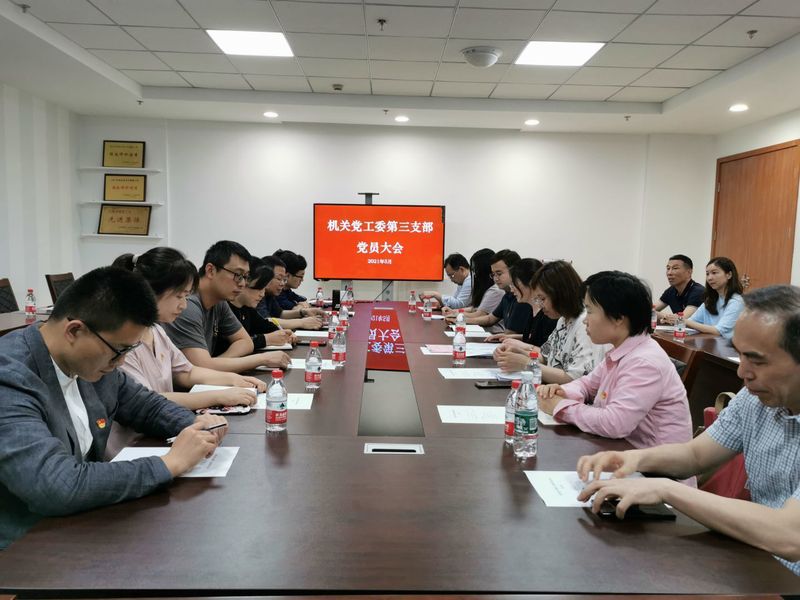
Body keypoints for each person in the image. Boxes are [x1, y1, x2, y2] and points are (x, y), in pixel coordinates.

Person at [576, 285, 800, 576]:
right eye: (740, 356)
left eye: (757, 360)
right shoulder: (754, 399)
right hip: (758, 561)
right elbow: (695, 456)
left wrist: (666, 489)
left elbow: (790, 534)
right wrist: (634, 459)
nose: (742, 372)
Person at [0, 266, 228, 549]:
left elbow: (146, 405)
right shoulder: (9, 377)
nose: (121, 362)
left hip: (82, 522)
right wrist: (170, 463)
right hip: (24, 545)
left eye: (129, 351)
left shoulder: (93, 362)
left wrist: (193, 424)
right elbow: (55, 485)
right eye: (119, 351)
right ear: (74, 331)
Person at [538, 271, 692, 449]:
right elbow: (587, 384)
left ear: (618, 318)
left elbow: (614, 424)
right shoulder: (622, 350)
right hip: (622, 450)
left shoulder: (644, 362)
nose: (585, 320)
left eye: (589, 311)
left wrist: (560, 407)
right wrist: (562, 392)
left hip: (654, 462)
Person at [113, 248, 267, 411]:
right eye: (179, 296)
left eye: (186, 296)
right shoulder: (121, 343)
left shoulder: (156, 331)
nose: (184, 305)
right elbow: (145, 400)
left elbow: (186, 372)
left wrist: (234, 380)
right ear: (149, 292)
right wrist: (218, 396)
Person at [163, 240, 290, 372]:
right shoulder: (187, 305)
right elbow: (201, 367)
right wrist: (262, 359)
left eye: (246, 277)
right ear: (211, 270)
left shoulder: (219, 302)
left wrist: (217, 363)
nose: (242, 283)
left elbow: (245, 342)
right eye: (238, 275)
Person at [494, 260, 604, 383]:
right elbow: (546, 356)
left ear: (560, 294)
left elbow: (574, 378)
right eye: (537, 299)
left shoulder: (584, 324)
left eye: (542, 299)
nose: (540, 305)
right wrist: (516, 351)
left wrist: (527, 364)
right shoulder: (563, 320)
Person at [220, 256, 296, 354]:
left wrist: (283, 333)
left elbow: (265, 325)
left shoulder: (247, 308)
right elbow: (229, 345)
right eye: (259, 288)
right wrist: (266, 339)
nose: (262, 294)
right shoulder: (224, 308)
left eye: (264, 289)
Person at [448, 249, 530, 334]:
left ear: (514, 271)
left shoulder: (522, 298)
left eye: (499, 274)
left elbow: (512, 333)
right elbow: (490, 319)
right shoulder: (507, 296)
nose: (495, 278)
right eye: (493, 274)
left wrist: (460, 317)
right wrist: (461, 320)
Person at [487, 258, 557, 347]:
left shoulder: (548, 313)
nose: (512, 289)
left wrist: (519, 344)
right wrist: (509, 337)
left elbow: (545, 349)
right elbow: (532, 337)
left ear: (529, 283)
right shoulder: (532, 310)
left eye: (514, 284)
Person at [256, 255, 325, 330]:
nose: (282, 284)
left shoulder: (270, 293)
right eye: (279, 279)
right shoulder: (257, 293)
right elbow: (265, 321)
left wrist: (304, 312)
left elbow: (280, 313)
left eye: (284, 279)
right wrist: (302, 322)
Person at [686, 256, 745, 339]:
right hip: (709, 343)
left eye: (714, 273)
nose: (709, 278)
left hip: (726, 346)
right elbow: (691, 321)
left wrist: (682, 320)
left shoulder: (736, 301)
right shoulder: (710, 300)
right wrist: (677, 320)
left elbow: (718, 331)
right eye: (707, 274)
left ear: (729, 275)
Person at [441, 248, 504, 319]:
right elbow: (474, 308)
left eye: (475, 270)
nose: (474, 274)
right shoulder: (486, 287)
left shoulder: (495, 290)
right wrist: (454, 311)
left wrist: (457, 315)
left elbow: (479, 314)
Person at [654, 254, 704, 324]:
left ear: (689, 272)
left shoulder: (698, 291)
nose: (669, 273)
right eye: (668, 268)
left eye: (675, 268)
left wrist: (660, 315)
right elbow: (651, 309)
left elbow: (682, 319)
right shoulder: (671, 291)